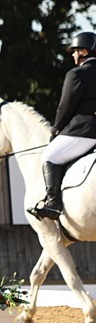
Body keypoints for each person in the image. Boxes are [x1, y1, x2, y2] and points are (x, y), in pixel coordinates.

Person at [29, 31, 96, 220]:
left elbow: (65, 106)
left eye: (75, 51)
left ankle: (53, 204)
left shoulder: (77, 74)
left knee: (49, 155)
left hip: (85, 130)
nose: (73, 55)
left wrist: (56, 128)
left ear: (84, 51)